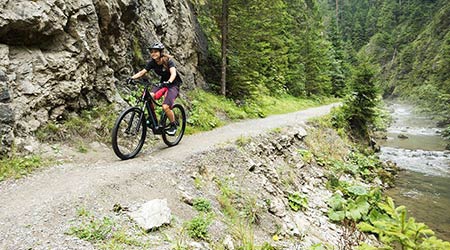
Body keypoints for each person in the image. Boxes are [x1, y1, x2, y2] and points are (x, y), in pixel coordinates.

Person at [127, 42, 182, 135]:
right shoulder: (152, 63)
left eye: (156, 51)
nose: (153, 53)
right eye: (152, 52)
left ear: (160, 52)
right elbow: (142, 72)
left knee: (165, 107)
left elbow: (173, 73)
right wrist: (131, 78)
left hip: (173, 84)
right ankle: (153, 119)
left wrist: (169, 81)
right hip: (163, 84)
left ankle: (173, 125)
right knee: (150, 96)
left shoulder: (168, 60)